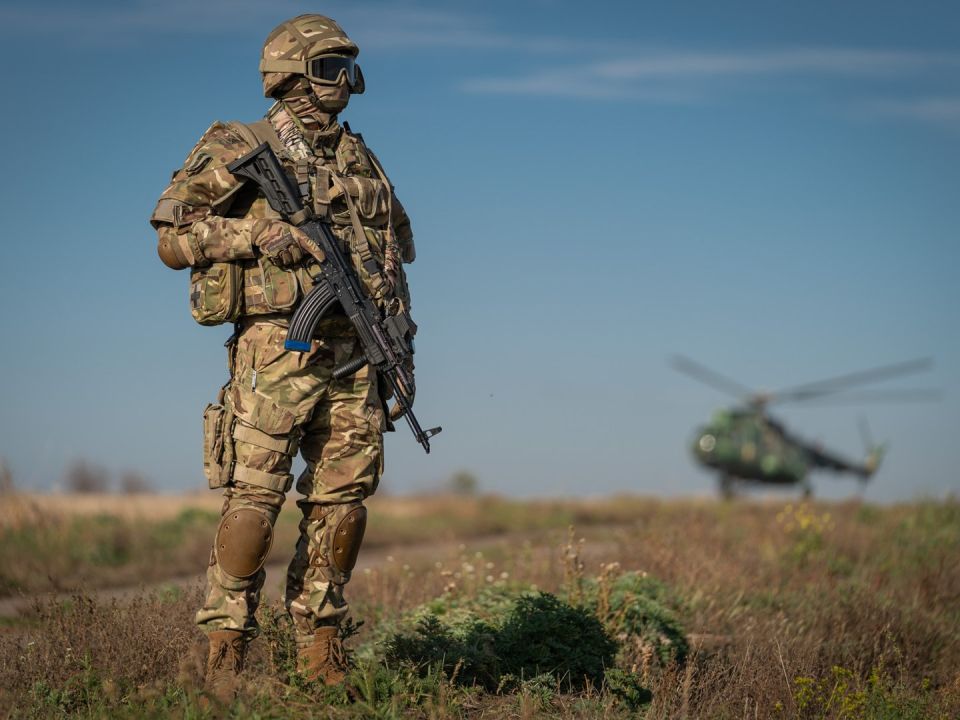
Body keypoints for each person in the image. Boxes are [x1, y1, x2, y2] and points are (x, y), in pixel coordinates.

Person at [149, 14, 417, 704]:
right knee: (255, 501)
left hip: (359, 355)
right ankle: (225, 649)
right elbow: (172, 235)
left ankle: (321, 647)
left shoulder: (361, 160)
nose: (344, 83)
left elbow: (392, 255)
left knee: (344, 504)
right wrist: (256, 235)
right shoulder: (242, 144)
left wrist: (402, 345)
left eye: (348, 69)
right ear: (290, 74)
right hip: (278, 353)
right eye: (329, 68)